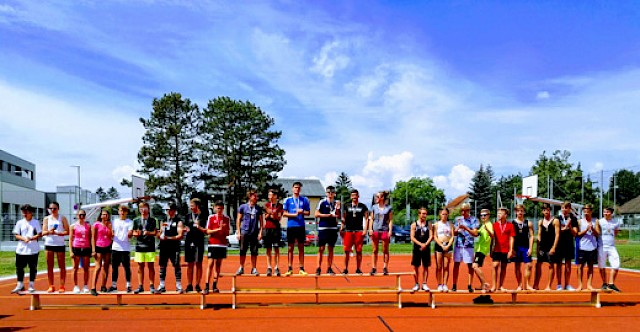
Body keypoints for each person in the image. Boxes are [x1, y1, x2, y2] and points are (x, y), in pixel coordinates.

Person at [11, 204, 42, 294]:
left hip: (33, 249)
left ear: (31, 212)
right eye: (23, 212)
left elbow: (39, 234)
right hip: (21, 249)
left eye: (26, 212)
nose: (24, 214)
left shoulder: (36, 222)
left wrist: (31, 238)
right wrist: (24, 238)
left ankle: (31, 284)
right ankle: (20, 284)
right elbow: (16, 235)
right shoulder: (20, 222)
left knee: (32, 267)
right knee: (19, 267)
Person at [282, 181, 311, 276]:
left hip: (301, 226)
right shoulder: (287, 200)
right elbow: (284, 213)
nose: (297, 189)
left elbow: (308, 213)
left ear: (300, 189)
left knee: (301, 248)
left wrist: (302, 212)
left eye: (298, 188)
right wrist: (294, 214)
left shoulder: (304, 200)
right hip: (291, 226)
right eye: (295, 187)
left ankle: (301, 268)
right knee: (290, 248)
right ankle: (289, 268)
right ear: (292, 188)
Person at [203, 201, 230, 294]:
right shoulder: (211, 217)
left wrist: (224, 229)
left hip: (222, 244)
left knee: (218, 265)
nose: (219, 210)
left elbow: (227, 233)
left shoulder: (226, 218)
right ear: (215, 208)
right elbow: (207, 231)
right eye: (218, 208)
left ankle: (215, 285)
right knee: (210, 264)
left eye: (221, 208)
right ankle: (206, 285)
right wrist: (218, 229)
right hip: (213, 244)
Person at [42, 201, 69, 293]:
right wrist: (49, 231)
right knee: (50, 266)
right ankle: (51, 285)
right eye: (51, 208)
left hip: (60, 244)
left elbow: (67, 231)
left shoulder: (62, 218)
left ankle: (62, 285)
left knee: (62, 266)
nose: (53, 210)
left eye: (55, 208)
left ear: (58, 209)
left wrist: (58, 233)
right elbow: (43, 232)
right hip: (49, 244)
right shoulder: (46, 219)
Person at [157, 203, 184, 293]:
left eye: (169, 210)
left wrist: (168, 238)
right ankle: (161, 285)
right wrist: (158, 235)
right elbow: (160, 232)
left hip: (174, 247)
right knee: (162, 266)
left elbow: (180, 235)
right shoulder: (163, 220)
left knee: (176, 265)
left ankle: (179, 286)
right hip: (164, 247)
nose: (168, 211)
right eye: (166, 210)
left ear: (174, 210)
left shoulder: (178, 221)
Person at [451, 202, 479, 292]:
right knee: (456, 264)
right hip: (459, 245)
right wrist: (457, 229)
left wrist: (466, 228)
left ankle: (470, 285)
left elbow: (475, 234)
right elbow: (454, 233)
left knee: (470, 265)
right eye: (461, 211)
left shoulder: (474, 220)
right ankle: (454, 284)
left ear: (468, 210)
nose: (462, 213)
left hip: (468, 245)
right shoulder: (458, 219)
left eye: (464, 211)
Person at [341, 189, 369, 275]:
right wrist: (342, 227)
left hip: (358, 231)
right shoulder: (347, 205)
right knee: (346, 250)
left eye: (355, 195)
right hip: (348, 231)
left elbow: (367, 218)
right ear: (350, 197)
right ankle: (345, 268)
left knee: (359, 250)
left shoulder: (363, 206)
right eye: (352, 195)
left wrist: (365, 229)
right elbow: (344, 218)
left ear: (358, 196)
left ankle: (358, 269)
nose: (354, 197)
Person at [235, 190, 264, 276]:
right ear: (250, 197)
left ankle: (254, 268)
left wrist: (260, 232)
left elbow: (261, 222)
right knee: (242, 250)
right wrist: (238, 232)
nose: (256, 198)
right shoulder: (243, 207)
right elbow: (238, 220)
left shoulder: (258, 208)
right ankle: (241, 267)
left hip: (254, 233)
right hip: (244, 232)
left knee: (254, 251)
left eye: (256, 196)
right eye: (254, 196)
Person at [133, 202, 159, 294]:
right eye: (141, 209)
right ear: (139, 210)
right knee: (140, 267)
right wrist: (136, 234)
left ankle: (152, 286)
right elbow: (133, 232)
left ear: (148, 209)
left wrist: (148, 233)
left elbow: (156, 233)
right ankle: (140, 286)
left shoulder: (153, 220)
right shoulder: (136, 220)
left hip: (150, 246)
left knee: (151, 266)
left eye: (145, 208)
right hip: (139, 246)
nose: (143, 210)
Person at [533, 203, 560, 290]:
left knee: (551, 265)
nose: (546, 211)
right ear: (542, 211)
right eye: (544, 210)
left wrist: (554, 247)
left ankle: (548, 286)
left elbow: (557, 235)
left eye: (548, 210)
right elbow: (539, 234)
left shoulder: (555, 221)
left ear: (550, 210)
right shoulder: (540, 222)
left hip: (550, 246)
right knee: (538, 265)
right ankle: (536, 284)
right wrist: (538, 248)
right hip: (542, 246)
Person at [315, 186, 341, 276]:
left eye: (332, 192)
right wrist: (327, 215)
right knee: (321, 248)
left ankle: (329, 268)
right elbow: (316, 214)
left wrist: (338, 208)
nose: (330, 194)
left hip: (333, 228)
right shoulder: (322, 202)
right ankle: (318, 268)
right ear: (326, 193)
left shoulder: (336, 203)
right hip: (323, 228)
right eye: (329, 192)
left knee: (331, 249)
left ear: (334, 193)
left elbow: (338, 216)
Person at [108, 205, 134, 293]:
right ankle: (114, 286)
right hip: (115, 247)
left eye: (124, 211)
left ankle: (128, 285)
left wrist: (130, 234)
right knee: (115, 267)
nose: (122, 212)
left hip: (125, 248)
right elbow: (112, 232)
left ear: (127, 212)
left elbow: (130, 233)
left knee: (126, 267)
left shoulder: (130, 222)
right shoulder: (114, 221)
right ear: (118, 212)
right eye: (120, 211)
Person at [184, 198, 207, 292]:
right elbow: (184, 226)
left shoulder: (203, 216)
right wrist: (185, 229)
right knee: (190, 264)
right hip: (189, 241)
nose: (191, 207)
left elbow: (206, 230)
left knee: (198, 263)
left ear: (197, 206)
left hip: (199, 241)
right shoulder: (187, 216)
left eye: (192, 206)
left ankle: (197, 284)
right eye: (190, 206)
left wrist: (199, 227)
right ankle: (189, 284)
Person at [556, 201, 578, 290]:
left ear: (569, 209)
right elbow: (556, 232)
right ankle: (559, 284)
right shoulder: (557, 218)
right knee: (559, 264)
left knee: (568, 265)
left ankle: (567, 284)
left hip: (569, 243)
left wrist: (570, 227)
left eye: (566, 208)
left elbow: (575, 233)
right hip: (559, 243)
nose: (564, 209)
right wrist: (564, 228)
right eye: (563, 208)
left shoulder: (573, 218)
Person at [576, 204, 599, 291]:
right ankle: (580, 285)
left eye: (587, 210)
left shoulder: (595, 221)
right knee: (580, 266)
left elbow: (598, 234)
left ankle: (589, 285)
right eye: (584, 210)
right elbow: (577, 234)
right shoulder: (580, 221)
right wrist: (586, 230)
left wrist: (592, 229)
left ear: (591, 211)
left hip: (592, 247)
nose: (585, 212)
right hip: (582, 247)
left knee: (590, 266)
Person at [598, 207, 621, 292]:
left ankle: (611, 284)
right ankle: (604, 283)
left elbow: (615, 232)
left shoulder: (616, 222)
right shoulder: (600, 222)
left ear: (611, 213)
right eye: (604, 212)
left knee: (616, 263)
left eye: (607, 212)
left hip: (612, 246)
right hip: (602, 246)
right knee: (601, 265)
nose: (605, 213)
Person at [491, 207, 514, 292]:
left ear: (505, 215)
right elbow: (491, 238)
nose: (499, 215)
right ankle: (494, 285)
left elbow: (511, 238)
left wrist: (511, 250)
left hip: (506, 250)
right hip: (497, 249)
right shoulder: (494, 225)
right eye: (498, 213)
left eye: (501, 213)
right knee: (495, 265)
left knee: (503, 267)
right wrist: (491, 249)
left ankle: (500, 285)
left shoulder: (510, 225)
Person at [369, 191, 393, 275]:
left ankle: (385, 267)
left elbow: (390, 220)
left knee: (385, 250)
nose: (376, 198)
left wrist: (390, 230)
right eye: (376, 197)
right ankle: (374, 267)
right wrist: (370, 229)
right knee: (375, 250)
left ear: (382, 198)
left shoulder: (388, 208)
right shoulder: (374, 207)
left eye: (377, 197)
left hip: (384, 230)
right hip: (375, 230)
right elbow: (371, 219)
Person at [90, 209, 113, 296]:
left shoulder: (109, 225)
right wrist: (93, 250)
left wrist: (109, 228)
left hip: (107, 246)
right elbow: (93, 237)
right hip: (98, 246)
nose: (105, 216)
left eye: (106, 215)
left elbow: (111, 236)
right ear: (100, 215)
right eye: (103, 214)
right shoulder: (96, 224)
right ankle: (93, 287)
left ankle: (103, 285)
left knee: (106, 267)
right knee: (98, 267)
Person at [511, 204, 534, 290]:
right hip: (516, 247)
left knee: (529, 265)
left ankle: (527, 284)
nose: (520, 212)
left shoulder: (528, 223)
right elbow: (511, 237)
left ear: (524, 212)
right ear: (515, 212)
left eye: (521, 210)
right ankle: (520, 285)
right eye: (518, 211)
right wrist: (511, 248)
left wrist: (531, 248)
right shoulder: (512, 223)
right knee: (517, 266)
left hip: (525, 247)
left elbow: (531, 236)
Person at [410, 208, 433, 291]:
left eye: (426, 214)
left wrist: (425, 244)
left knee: (426, 266)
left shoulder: (429, 224)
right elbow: (412, 237)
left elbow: (431, 236)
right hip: (417, 248)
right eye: (423, 214)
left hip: (426, 248)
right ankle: (416, 283)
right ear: (419, 214)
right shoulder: (414, 224)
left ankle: (424, 283)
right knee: (416, 266)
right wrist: (420, 244)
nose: (424, 215)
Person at [69, 209, 91, 294]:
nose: (81, 217)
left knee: (86, 268)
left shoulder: (88, 226)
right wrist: (71, 251)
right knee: (75, 268)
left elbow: (90, 238)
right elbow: (70, 239)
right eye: (80, 215)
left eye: (83, 215)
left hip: (86, 248)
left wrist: (91, 249)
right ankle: (75, 286)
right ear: (77, 216)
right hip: (76, 247)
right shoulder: (73, 226)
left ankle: (85, 285)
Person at [263, 189, 284, 277]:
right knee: (268, 248)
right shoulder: (266, 205)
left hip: (276, 228)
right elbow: (266, 216)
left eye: (271, 195)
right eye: (269, 195)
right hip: (268, 228)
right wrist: (271, 213)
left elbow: (278, 218)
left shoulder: (280, 206)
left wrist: (272, 213)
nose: (269, 196)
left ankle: (276, 267)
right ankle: (269, 267)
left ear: (275, 196)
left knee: (276, 248)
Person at [473, 209, 494, 292]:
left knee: (475, 266)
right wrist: (467, 229)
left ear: (488, 215)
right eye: (481, 215)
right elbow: (476, 234)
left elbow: (492, 235)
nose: (483, 217)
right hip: (479, 249)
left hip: (482, 249)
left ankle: (484, 283)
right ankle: (482, 284)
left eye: (485, 215)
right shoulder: (483, 225)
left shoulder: (488, 225)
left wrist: (487, 229)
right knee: (476, 267)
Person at [433, 207, 454, 292]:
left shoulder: (450, 224)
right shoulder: (437, 224)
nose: (444, 216)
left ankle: (445, 284)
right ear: (440, 214)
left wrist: (448, 245)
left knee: (446, 266)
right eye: (443, 214)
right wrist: (441, 245)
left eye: (446, 214)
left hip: (448, 246)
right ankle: (439, 284)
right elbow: (434, 236)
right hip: (439, 246)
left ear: (448, 215)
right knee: (439, 266)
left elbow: (452, 236)